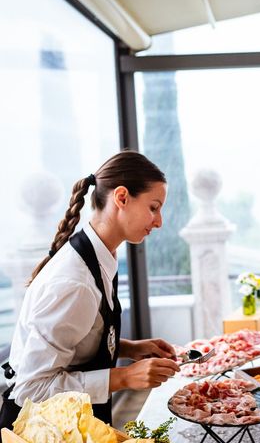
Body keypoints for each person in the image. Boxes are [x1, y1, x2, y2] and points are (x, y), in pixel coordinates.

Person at [0, 150, 180, 428]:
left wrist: (127, 348)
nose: (159, 222)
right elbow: (31, 389)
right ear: (121, 198)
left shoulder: (99, 257)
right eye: (153, 207)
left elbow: (71, 345)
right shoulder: (75, 282)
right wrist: (124, 377)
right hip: (37, 429)